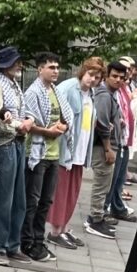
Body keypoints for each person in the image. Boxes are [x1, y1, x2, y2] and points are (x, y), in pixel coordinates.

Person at [46, 57, 104, 250]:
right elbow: (53, 109)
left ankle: (64, 228)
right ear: (83, 71)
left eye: (97, 77)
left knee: (73, 191)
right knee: (61, 191)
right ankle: (55, 231)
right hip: (66, 150)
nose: (92, 80)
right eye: (90, 75)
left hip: (81, 149)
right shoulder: (69, 88)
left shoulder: (91, 94)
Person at [20, 52, 72, 262]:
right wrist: (48, 132)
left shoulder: (56, 92)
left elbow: (65, 117)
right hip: (37, 153)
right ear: (40, 69)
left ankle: (39, 241)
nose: (55, 71)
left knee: (46, 200)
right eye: (51, 67)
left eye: (57, 67)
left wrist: (63, 126)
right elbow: (29, 124)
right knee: (32, 200)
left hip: (54, 154)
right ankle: (27, 242)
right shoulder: (32, 92)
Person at [0, 46, 34, 266]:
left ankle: (13, 245)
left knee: (19, 199)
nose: (19, 66)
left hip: (17, 143)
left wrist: (27, 122)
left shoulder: (14, 85)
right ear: (5, 65)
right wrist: (19, 125)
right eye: (15, 62)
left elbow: (20, 112)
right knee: (3, 199)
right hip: (4, 145)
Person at [85, 61, 127, 239]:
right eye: (114, 76)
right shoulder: (104, 94)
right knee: (101, 184)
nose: (118, 80)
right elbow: (101, 123)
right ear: (107, 76)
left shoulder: (111, 94)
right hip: (102, 148)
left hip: (110, 146)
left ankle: (98, 216)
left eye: (121, 78)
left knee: (106, 183)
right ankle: (95, 219)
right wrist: (108, 148)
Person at [103, 57, 137, 223]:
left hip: (122, 140)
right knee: (109, 180)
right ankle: (103, 211)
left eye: (123, 75)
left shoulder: (122, 90)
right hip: (113, 142)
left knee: (119, 179)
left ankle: (116, 206)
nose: (120, 79)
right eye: (116, 75)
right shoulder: (107, 92)